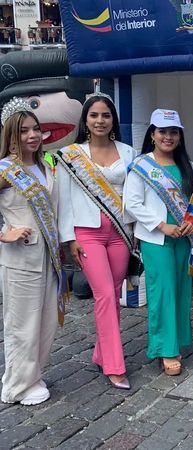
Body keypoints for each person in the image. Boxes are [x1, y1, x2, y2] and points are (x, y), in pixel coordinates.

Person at [56, 92, 136, 390]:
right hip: (87, 233)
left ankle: (102, 354)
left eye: (106, 115)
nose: (100, 120)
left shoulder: (128, 152)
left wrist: (136, 233)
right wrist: (69, 239)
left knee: (113, 294)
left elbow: (134, 195)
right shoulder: (71, 154)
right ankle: (115, 365)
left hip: (120, 233)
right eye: (94, 115)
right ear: (85, 120)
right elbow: (63, 199)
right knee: (103, 294)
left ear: (113, 119)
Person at [124, 109, 193, 376]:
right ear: (152, 135)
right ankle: (165, 349)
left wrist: (190, 221)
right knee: (162, 292)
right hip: (156, 238)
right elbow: (132, 203)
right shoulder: (141, 165)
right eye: (162, 131)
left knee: (182, 289)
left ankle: (177, 340)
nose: (168, 137)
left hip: (184, 237)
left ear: (179, 136)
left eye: (173, 132)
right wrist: (162, 225)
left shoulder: (187, 165)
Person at [0, 97, 67, 405]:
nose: (32, 135)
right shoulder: (6, 170)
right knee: (22, 325)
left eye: (36, 129)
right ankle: (16, 385)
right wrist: (4, 234)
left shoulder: (44, 165)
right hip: (20, 258)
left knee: (46, 322)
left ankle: (32, 374)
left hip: (49, 257)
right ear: (11, 135)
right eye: (24, 130)